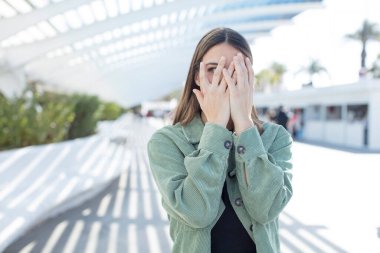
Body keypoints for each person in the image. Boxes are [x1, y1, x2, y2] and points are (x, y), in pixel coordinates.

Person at [147, 27, 293, 253]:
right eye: (213, 69)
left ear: (250, 77)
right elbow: (196, 213)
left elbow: (267, 209)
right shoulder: (166, 142)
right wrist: (215, 128)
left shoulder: (276, 138)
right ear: (196, 76)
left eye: (236, 70)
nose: (224, 79)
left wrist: (244, 123)